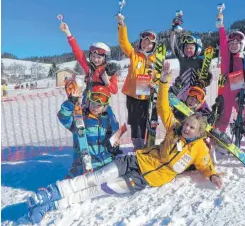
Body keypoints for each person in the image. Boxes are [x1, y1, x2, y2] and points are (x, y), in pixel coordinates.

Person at [26, 62, 222, 225]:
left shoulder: (199, 148)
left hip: (143, 180)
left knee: (98, 190)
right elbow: (163, 105)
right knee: (94, 179)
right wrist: (163, 81)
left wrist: (212, 175)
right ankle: (48, 194)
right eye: (186, 124)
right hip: (134, 161)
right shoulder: (174, 128)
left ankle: (51, 206)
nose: (186, 128)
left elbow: (206, 164)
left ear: (199, 132)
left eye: (191, 128)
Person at [58, 83, 122, 179]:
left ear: (105, 106)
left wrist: (114, 145)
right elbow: (64, 117)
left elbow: (112, 144)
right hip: (82, 167)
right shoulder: (80, 118)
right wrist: (71, 102)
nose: (95, 108)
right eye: (93, 104)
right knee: (71, 183)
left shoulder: (108, 119)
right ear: (88, 102)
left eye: (99, 105)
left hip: (106, 164)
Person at [115, 13, 160, 150]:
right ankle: (137, 146)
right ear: (140, 42)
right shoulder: (134, 54)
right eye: (144, 41)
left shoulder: (156, 60)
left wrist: (155, 84)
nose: (146, 44)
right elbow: (124, 43)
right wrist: (122, 25)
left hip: (147, 97)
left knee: (145, 121)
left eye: (150, 42)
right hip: (133, 96)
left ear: (154, 45)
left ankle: (147, 145)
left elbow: (158, 76)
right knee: (134, 122)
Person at [214, 13, 245, 144]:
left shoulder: (242, 61)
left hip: (238, 91)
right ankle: (219, 136)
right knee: (223, 116)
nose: (233, 45)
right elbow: (222, 41)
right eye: (231, 43)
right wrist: (221, 27)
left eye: (236, 43)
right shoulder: (225, 57)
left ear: (241, 45)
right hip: (225, 91)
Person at [60, 22, 119, 101]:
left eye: (99, 57)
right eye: (93, 57)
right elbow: (78, 52)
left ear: (105, 58)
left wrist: (107, 82)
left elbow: (114, 91)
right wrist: (68, 33)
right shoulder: (89, 68)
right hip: (88, 101)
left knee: (109, 113)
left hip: (102, 103)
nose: (95, 59)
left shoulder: (109, 71)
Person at [169, 17, 213, 99]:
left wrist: (202, 83)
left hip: (195, 92)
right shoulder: (182, 58)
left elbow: (209, 77)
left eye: (191, 48)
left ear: (197, 49)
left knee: (198, 92)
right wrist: (173, 30)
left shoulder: (201, 61)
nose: (188, 50)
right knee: (173, 89)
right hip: (181, 90)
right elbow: (173, 45)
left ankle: (200, 108)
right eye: (186, 48)